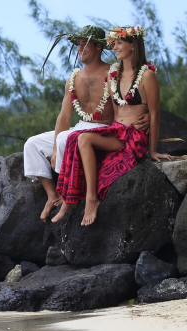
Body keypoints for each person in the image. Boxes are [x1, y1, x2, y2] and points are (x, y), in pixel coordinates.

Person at [52, 26, 173, 226]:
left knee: (84, 140)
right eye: (114, 43)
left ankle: (91, 199)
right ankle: (70, 197)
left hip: (134, 137)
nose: (114, 48)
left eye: (119, 43)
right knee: (78, 137)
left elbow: (155, 112)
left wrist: (152, 150)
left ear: (132, 46)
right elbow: (116, 112)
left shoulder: (146, 75)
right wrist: (111, 131)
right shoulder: (114, 74)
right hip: (118, 131)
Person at [23, 26, 114, 222]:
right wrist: (55, 148)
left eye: (85, 44)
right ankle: (52, 195)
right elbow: (64, 117)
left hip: (105, 129)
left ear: (99, 47)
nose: (80, 48)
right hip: (80, 127)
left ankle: (68, 197)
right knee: (32, 144)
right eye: (79, 44)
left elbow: (125, 106)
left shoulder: (113, 73)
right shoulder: (74, 78)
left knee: (66, 137)